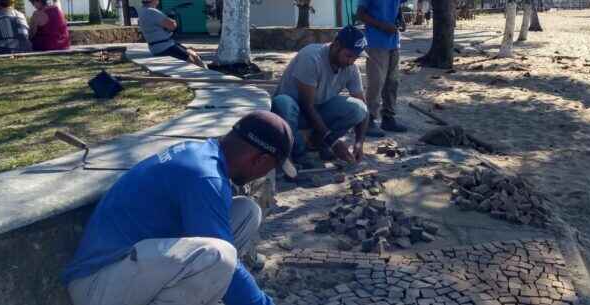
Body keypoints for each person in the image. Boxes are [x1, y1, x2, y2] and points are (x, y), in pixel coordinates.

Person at [62, 111, 296, 305]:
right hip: (97, 287)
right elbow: (227, 263)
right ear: (260, 160)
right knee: (218, 256)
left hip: (126, 269)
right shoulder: (204, 178)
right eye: (271, 168)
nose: (265, 174)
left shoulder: (202, 155)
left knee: (246, 211)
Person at [271, 25, 369, 168]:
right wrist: (333, 142)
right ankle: (296, 154)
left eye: (355, 57)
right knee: (283, 103)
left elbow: (364, 108)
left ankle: (317, 144)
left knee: (358, 109)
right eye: (348, 55)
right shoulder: (312, 57)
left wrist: (359, 143)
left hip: (317, 111)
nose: (351, 61)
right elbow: (307, 106)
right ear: (336, 45)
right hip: (294, 114)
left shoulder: (351, 67)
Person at [357, 0, 408, 137]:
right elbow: (360, 14)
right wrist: (381, 25)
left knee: (393, 82)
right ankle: (369, 121)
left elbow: (398, 6)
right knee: (376, 82)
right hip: (376, 42)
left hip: (393, 41)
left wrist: (400, 18)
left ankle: (388, 118)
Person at [138, 0, 206, 67]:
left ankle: (208, 70)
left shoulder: (142, 11)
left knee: (194, 54)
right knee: (193, 60)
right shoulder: (152, 11)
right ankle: (209, 74)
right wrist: (173, 20)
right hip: (165, 47)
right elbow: (172, 26)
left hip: (161, 45)